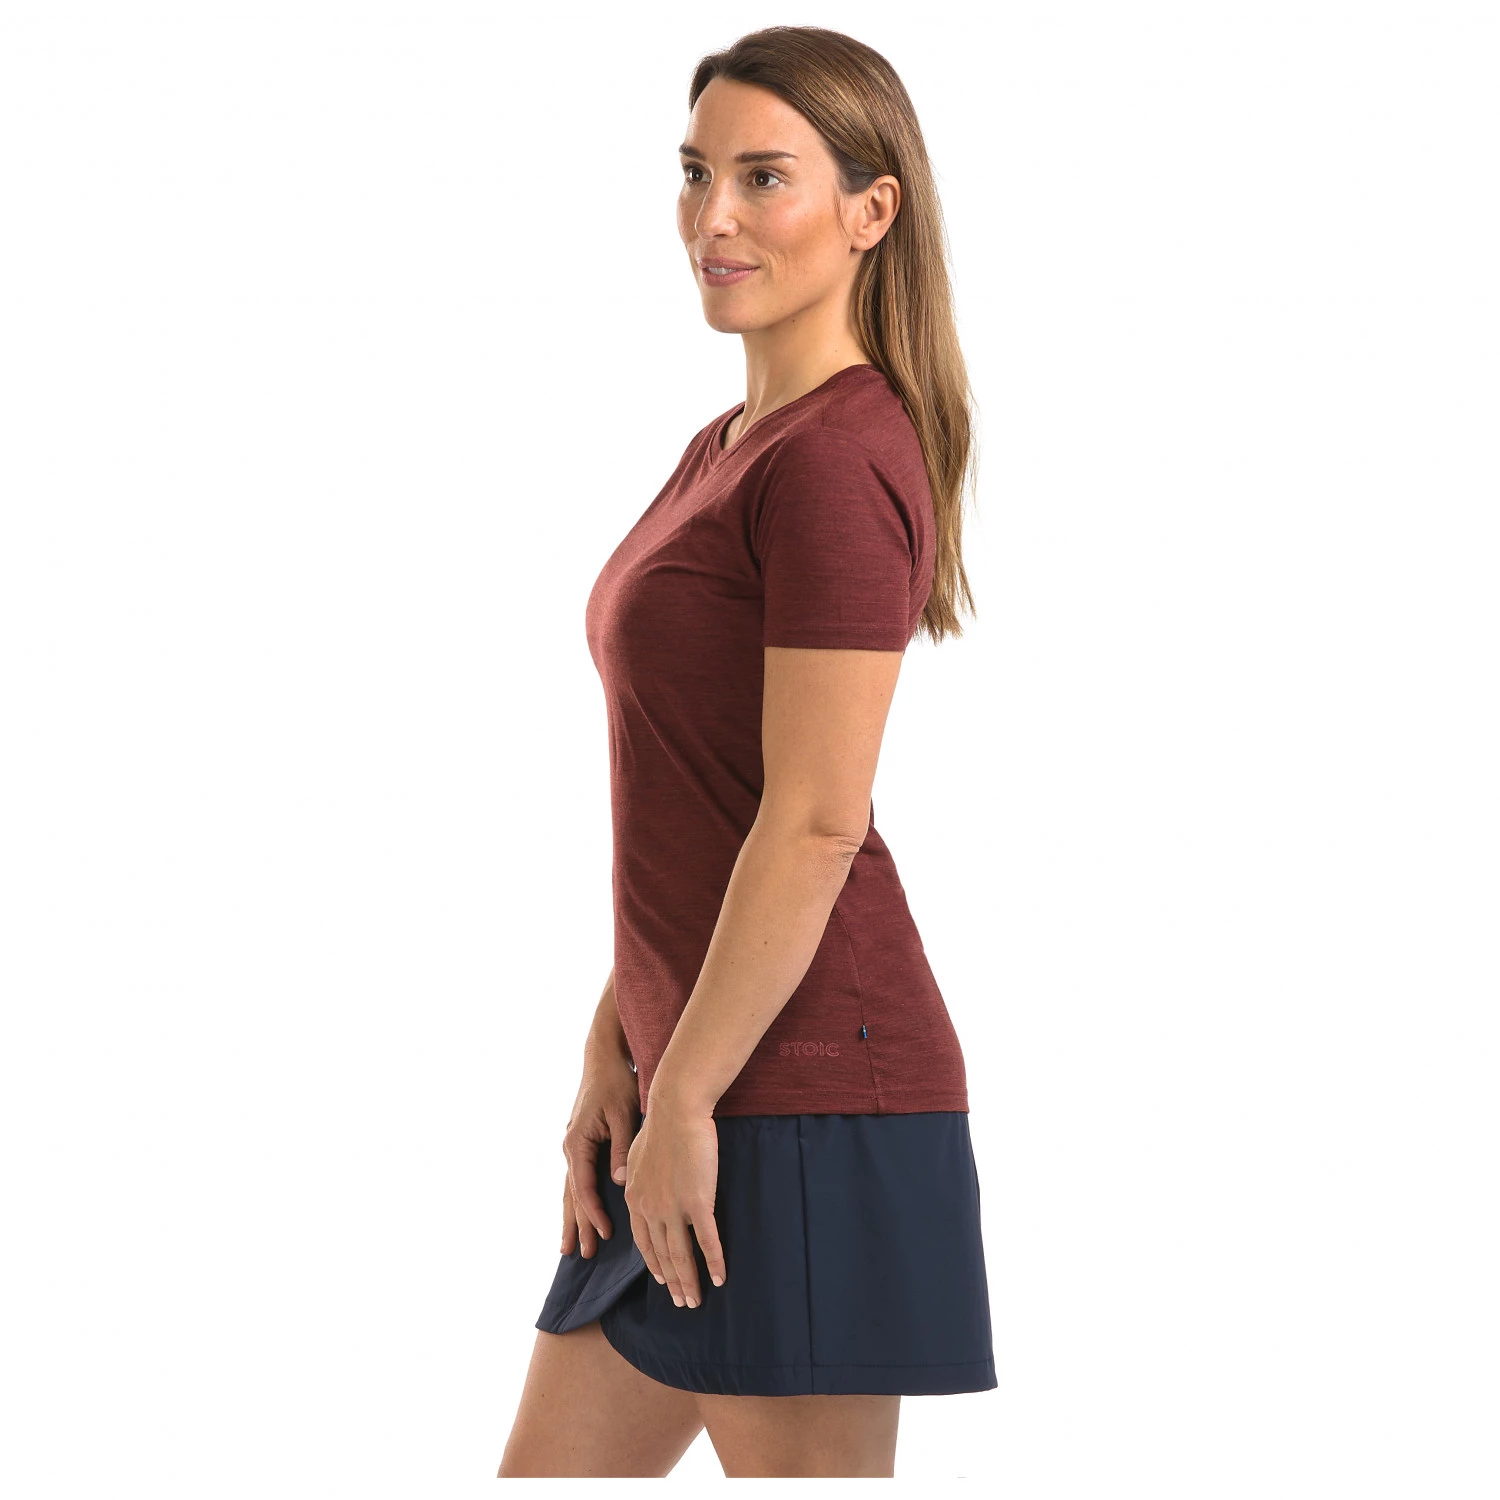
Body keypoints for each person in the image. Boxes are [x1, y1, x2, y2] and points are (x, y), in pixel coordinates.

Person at [499, 25, 992, 1479]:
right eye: (694, 172)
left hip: (799, 1100)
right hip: (694, 1080)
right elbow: (700, 795)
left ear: (871, 209)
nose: (713, 217)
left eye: (764, 177)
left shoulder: (835, 457)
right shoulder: (733, 442)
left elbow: (815, 821)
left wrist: (687, 1093)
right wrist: (618, 1042)